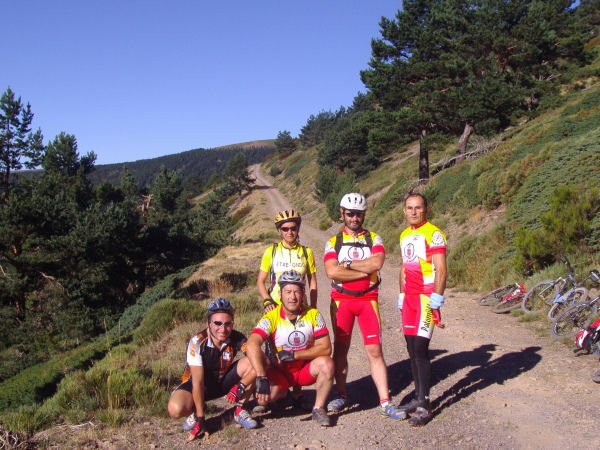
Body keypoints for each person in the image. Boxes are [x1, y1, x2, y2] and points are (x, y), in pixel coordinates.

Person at [324, 193, 405, 419]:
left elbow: (377, 263)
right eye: (350, 213)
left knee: (375, 350)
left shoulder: (374, 238)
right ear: (342, 213)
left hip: (367, 300)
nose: (354, 218)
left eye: (359, 214)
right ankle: (341, 394)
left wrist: (348, 265)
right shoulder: (333, 242)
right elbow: (332, 271)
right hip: (342, 301)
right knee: (341, 349)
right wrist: (363, 270)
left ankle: (385, 401)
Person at [246, 270, 335, 427]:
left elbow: (326, 348)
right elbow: (252, 343)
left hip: (302, 371)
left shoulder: (314, 315)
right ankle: (284, 394)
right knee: (263, 399)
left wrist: (296, 354)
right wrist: (261, 376)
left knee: (327, 364)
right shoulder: (271, 317)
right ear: (280, 294)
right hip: (280, 371)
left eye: (296, 292)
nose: (292, 297)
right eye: (288, 292)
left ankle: (318, 408)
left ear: (302, 294)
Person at [167, 298, 258, 441]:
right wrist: (201, 418)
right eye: (217, 323)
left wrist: (241, 385)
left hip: (223, 381)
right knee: (175, 409)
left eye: (228, 324)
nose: (223, 329)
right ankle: (195, 411)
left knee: (253, 361)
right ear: (208, 323)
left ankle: (240, 410)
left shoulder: (237, 337)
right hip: (200, 385)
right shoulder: (197, 342)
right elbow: (197, 382)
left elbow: (258, 362)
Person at [397, 192, 447, 427]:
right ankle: (417, 397)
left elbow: (441, 269)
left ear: (426, 209)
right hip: (409, 299)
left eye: (418, 207)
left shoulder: (433, 233)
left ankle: (425, 404)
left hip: (426, 298)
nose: (414, 212)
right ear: (404, 210)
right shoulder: (404, 235)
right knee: (410, 348)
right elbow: (403, 268)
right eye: (410, 208)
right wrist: (401, 294)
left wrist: (437, 297)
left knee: (420, 348)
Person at [257, 210, 318, 311]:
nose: (290, 232)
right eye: (285, 229)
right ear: (279, 231)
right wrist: (267, 300)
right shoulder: (271, 251)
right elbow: (260, 281)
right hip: (275, 306)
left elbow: (313, 282)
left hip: (300, 306)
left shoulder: (307, 252)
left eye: (293, 228)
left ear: (298, 229)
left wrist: (313, 306)